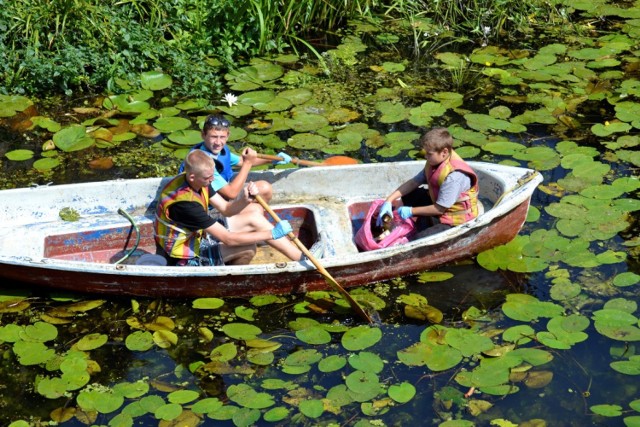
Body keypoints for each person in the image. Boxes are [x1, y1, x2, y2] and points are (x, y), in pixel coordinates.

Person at [155, 149, 303, 266]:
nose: (212, 180)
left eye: (213, 175)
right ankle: (230, 278)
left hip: (198, 236)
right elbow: (228, 239)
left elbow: (226, 208)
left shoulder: (197, 180)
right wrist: (271, 234)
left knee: (255, 211)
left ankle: (300, 257)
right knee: (248, 248)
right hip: (186, 256)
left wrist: (245, 200)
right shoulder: (185, 205)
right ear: (192, 176)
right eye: (208, 178)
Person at [377, 127, 480, 238]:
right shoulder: (435, 162)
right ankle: (393, 222)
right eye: (425, 152)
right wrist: (389, 200)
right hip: (439, 202)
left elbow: (440, 209)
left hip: (454, 217)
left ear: (444, 152)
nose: (426, 156)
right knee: (410, 194)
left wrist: (411, 211)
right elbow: (414, 182)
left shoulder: (454, 177)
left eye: (429, 154)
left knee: (419, 239)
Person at [178, 114, 292, 202]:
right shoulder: (204, 163)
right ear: (203, 135)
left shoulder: (219, 150)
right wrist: (248, 163)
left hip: (223, 196)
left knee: (261, 189)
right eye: (213, 137)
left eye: (222, 137)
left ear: (228, 135)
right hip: (211, 206)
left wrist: (273, 159)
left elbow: (242, 161)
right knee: (265, 188)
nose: (218, 142)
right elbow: (231, 193)